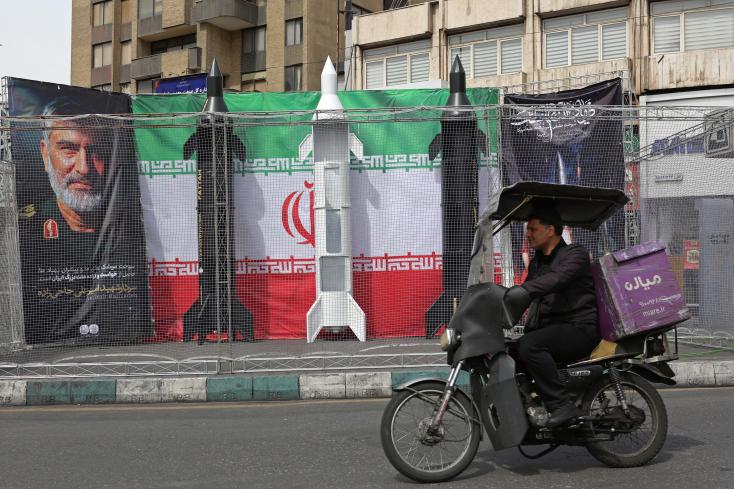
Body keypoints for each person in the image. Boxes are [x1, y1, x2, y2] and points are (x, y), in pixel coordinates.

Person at [514, 206, 600, 428]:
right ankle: (532, 404)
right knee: (509, 350)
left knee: (530, 345)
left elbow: (556, 279)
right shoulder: (537, 263)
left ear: (550, 230)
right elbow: (524, 296)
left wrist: (522, 291)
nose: (528, 235)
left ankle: (561, 405)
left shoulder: (575, 253)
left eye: (533, 229)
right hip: (552, 329)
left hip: (579, 328)